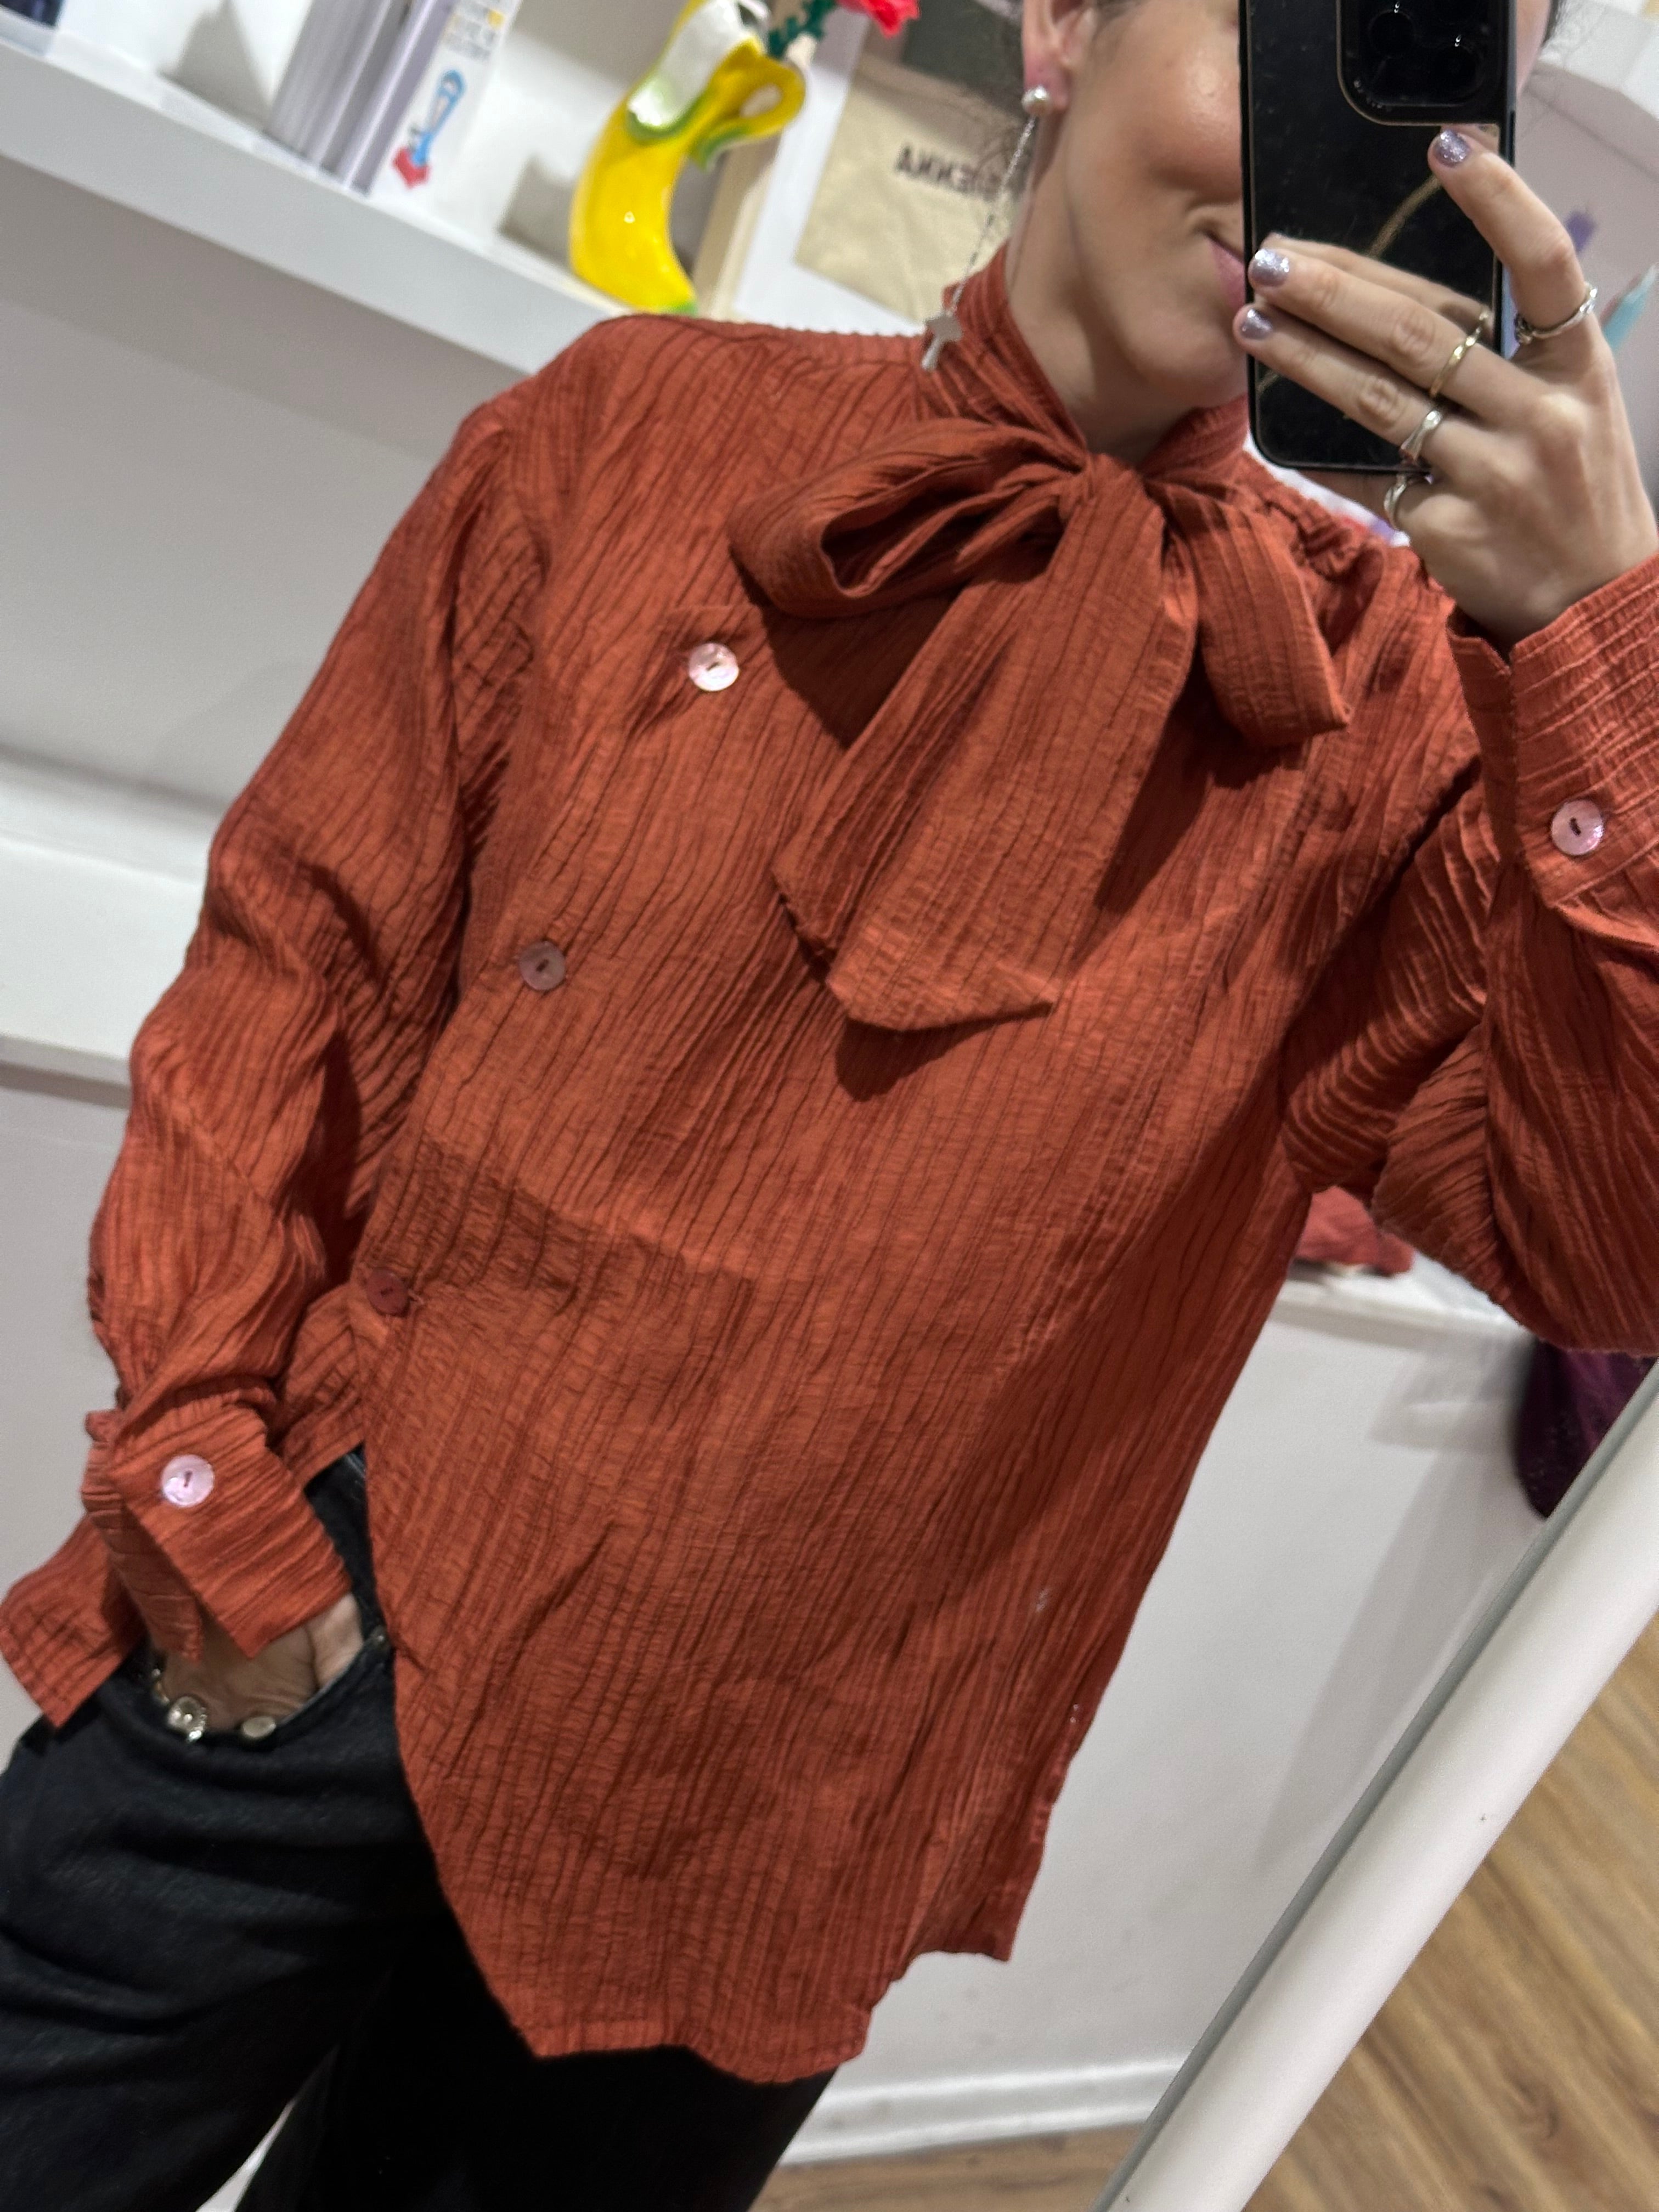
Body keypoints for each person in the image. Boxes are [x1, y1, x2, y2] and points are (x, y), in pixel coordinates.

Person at [3, 0, 1656, 2203]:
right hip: (314, 1621)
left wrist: (1599, 662)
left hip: (765, 1825)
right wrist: (206, 1477)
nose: (1335, 143)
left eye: (1440, 65)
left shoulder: (1394, 728)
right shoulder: (632, 436)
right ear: (1060, 23)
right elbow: (297, 975)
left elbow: (1611, 1249)